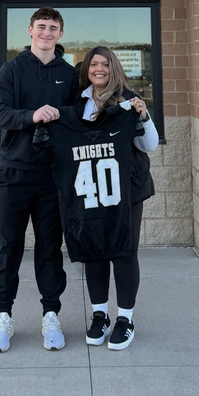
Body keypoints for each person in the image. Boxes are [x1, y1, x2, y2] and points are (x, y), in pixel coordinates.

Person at [34, 46, 159, 351]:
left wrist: (141, 113)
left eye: (104, 64)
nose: (99, 69)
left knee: (125, 252)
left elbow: (150, 145)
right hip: (90, 188)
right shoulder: (78, 101)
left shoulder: (128, 100)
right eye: (94, 64)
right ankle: (99, 314)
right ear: (87, 69)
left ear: (113, 68)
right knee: (95, 251)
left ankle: (126, 319)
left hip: (126, 189)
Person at [0, 6, 79, 353]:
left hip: (52, 177)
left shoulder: (68, 75)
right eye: (41, 26)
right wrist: (32, 115)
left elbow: (78, 118)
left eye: (53, 27)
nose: (46, 32)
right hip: (14, 173)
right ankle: (3, 316)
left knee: (49, 250)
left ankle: (51, 314)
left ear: (60, 34)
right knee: (7, 247)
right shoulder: (11, 70)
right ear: (29, 30)